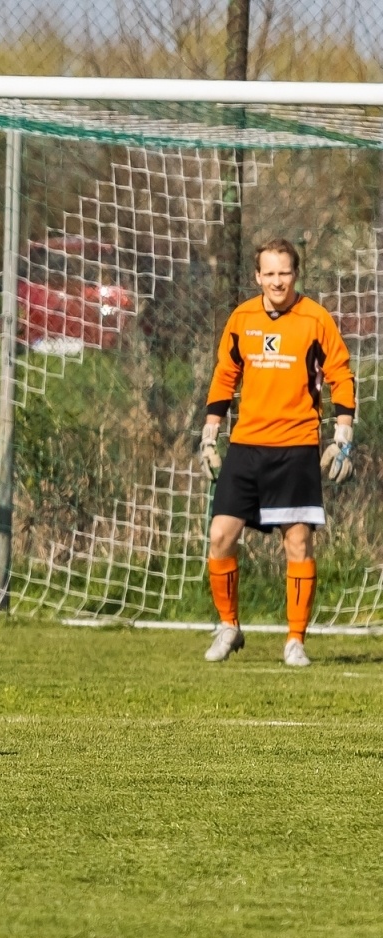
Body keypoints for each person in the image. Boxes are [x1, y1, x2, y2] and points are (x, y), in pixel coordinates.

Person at [198, 237, 355, 667]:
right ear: (257, 277)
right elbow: (225, 374)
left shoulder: (315, 319)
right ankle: (229, 625)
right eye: (268, 273)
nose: (277, 281)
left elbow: (340, 374)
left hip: (296, 446)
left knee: (298, 543)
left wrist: (343, 432)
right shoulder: (242, 318)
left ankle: (295, 640)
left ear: (295, 274)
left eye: (284, 272)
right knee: (220, 536)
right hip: (246, 446)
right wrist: (211, 432)